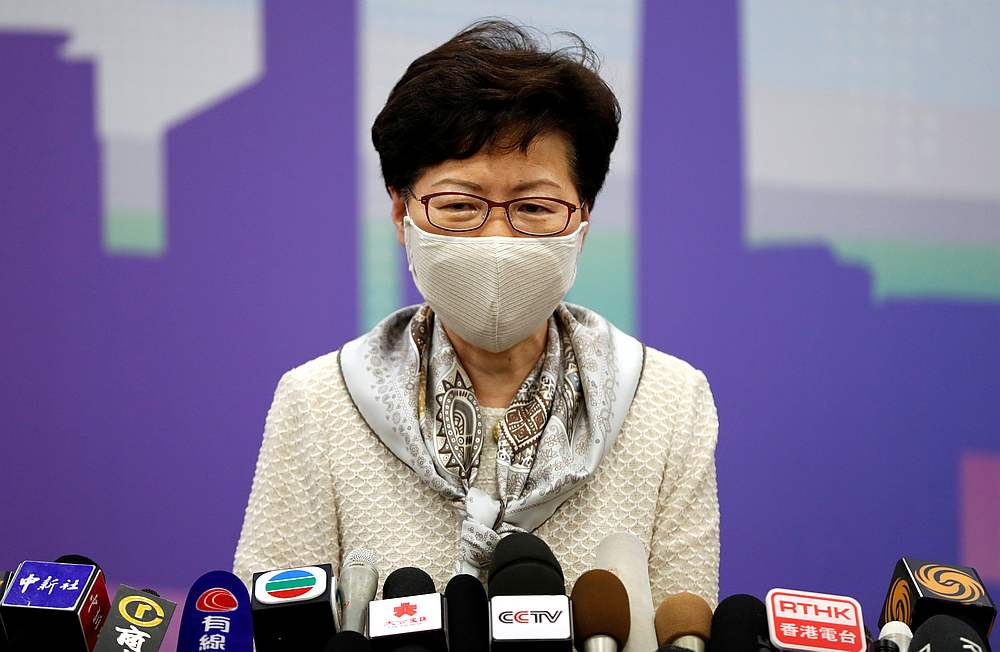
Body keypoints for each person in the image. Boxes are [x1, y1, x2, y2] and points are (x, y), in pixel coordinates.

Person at [233, 19, 720, 607]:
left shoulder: (666, 400)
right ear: (400, 213)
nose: (496, 238)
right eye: (460, 205)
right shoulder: (319, 401)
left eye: (534, 206)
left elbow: (686, 623)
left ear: (583, 219)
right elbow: (273, 628)